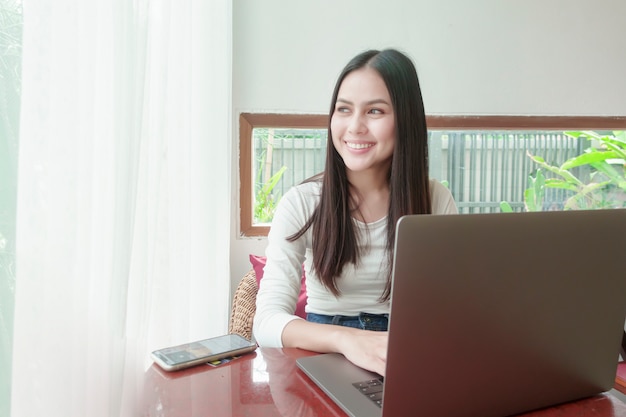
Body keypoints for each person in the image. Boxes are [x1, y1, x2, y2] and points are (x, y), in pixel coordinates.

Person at [253, 48, 458, 377]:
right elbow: (265, 323)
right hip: (323, 352)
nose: (355, 126)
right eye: (343, 110)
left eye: (374, 111)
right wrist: (350, 341)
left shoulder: (435, 199)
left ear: (405, 119)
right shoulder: (302, 203)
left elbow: (452, 310)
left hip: (406, 355)